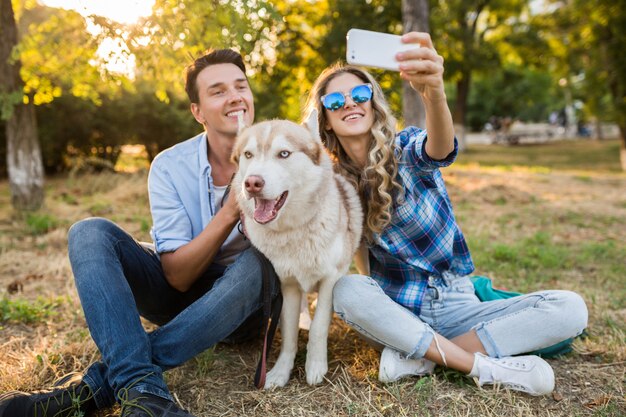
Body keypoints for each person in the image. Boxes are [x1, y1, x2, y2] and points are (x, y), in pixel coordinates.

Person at [303, 32, 588, 396]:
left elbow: (439, 149)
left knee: (570, 309)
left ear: (373, 103)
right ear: (325, 119)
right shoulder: (331, 185)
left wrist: (434, 93)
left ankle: (423, 356)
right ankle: (482, 367)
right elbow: (334, 256)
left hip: (455, 304)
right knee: (346, 289)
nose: (350, 104)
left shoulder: (405, 149)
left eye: (360, 94)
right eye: (334, 100)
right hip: (397, 312)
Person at [0, 49, 278, 417]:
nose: (235, 97)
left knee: (262, 259)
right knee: (89, 232)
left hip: (245, 308)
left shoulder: (281, 156)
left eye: (241, 86)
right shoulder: (169, 166)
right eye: (218, 91)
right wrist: (228, 213)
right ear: (197, 111)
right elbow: (177, 277)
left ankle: (108, 386)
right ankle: (141, 388)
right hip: (183, 294)